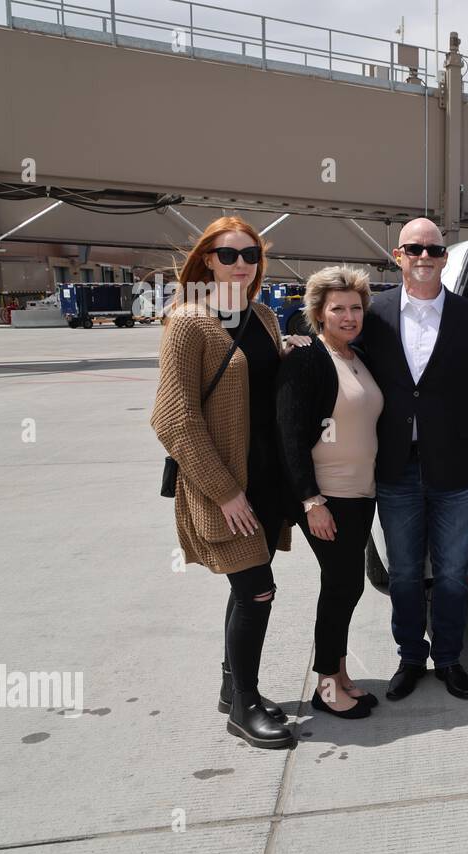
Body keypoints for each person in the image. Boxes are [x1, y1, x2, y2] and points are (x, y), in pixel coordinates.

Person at [151, 215, 311, 749]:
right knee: (257, 589)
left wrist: (288, 354)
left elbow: (256, 378)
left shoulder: (263, 316)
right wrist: (224, 492)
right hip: (225, 486)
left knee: (247, 590)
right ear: (205, 261)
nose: (241, 265)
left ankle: (232, 688)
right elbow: (174, 418)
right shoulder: (189, 323)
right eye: (228, 255)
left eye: (250, 256)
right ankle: (244, 707)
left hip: (265, 481)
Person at [360, 219, 468, 702]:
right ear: (397, 255)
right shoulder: (373, 315)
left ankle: (448, 657)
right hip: (395, 468)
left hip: (458, 469)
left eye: (434, 249)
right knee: (403, 572)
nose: (424, 256)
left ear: (445, 258)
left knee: (450, 571)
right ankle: (409, 657)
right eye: (414, 248)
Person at [277, 266, 384, 720]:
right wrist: (311, 501)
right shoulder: (307, 359)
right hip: (327, 495)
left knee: (348, 586)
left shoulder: (357, 356)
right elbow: (289, 433)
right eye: (337, 308)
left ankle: (339, 673)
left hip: (362, 492)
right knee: (341, 585)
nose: (348, 315)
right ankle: (325, 682)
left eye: (355, 308)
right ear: (318, 313)